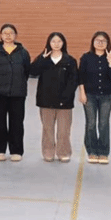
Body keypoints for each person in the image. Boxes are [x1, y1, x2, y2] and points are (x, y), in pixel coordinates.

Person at [0, 24, 31, 162]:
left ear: (16, 35)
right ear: (0, 35)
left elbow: (26, 72)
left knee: (17, 123)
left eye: (11, 33)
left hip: (18, 93)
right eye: (5, 33)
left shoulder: (23, 53)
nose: (8, 35)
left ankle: (16, 151)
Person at [30, 32, 79, 163]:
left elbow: (73, 81)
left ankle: (63, 152)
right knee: (48, 129)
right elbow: (32, 72)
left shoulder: (70, 61)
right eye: (53, 41)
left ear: (63, 43)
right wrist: (41, 58)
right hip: (46, 101)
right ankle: (48, 152)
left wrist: (66, 97)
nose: (56, 44)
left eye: (59, 41)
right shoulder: (43, 59)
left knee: (64, 130)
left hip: (65, 103)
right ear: (49, 43)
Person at [78, 31, 111, 164]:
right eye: (97, 40)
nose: (100, 43)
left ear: (107, 43)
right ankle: (92, 151)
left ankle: (104, 152)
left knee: (104, 124)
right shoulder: (86, 57)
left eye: (103, 41)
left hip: (106, 96)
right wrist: (82, 92)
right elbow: (81, 76)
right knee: (91, 123)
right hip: (90, 95)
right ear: (93, 42)